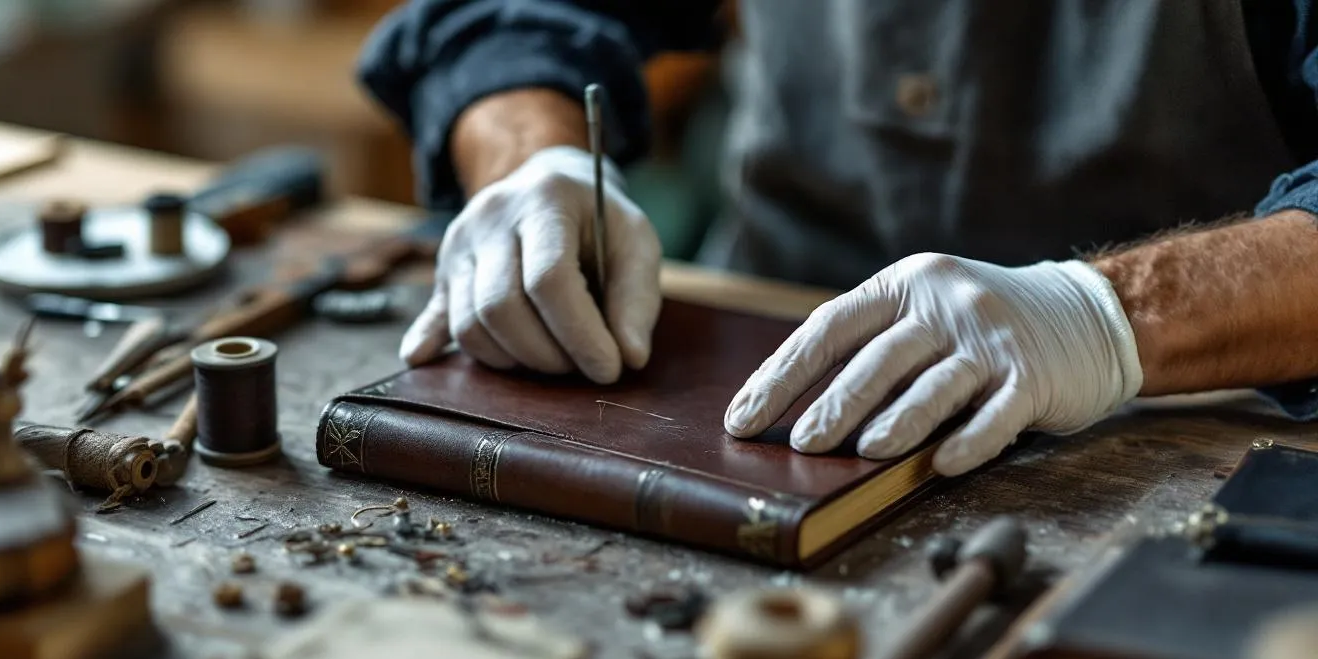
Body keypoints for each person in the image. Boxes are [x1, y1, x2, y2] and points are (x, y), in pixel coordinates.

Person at [356, 2, 1318, 477]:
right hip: (751, 357)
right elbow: (504, 16)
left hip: (1177, 403)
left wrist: (1102, 317)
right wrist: (532, 162)